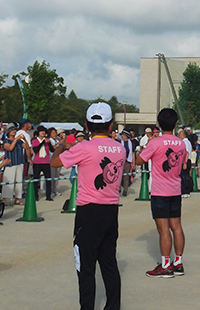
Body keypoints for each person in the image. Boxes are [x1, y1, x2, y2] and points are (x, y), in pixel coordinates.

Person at [50, 102, 124, 310]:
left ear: (86, 125)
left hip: (89, 211)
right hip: (111, 211)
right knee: (109, 264)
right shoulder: (119, 148)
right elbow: (101, 152)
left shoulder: (83, 147)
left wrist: (62, 146)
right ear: (111, 126)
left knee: (86, 267)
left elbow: (55, 163)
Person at [135, 108, 187, 278]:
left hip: (160, 190)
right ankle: (178, 262)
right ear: (176, 124)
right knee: (176, 226)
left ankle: (165, 265)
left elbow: (139, 160)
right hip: (175, 188)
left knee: (163, 229)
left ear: (158, 124)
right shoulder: (180, 143)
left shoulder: (155, 143)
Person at [3, 125, 26, 205]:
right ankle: (5, 198)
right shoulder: (6, 141)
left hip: (19, 162)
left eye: (15, 130)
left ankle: (17, 198)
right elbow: (10, 148)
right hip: (10, 163)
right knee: (9, 181)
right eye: (12, 130)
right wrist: (16, 139)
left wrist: (24, 139)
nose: (14, 131)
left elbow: (27, 147)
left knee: (19, 181)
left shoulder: (19, 141)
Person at [31, 126, 55, 201]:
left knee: (48, 179)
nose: (43, 133)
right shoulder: (35, 141)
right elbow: (35, 150)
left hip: (46, 162)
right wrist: (43, 143)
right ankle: (35, 195)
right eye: (41, 131)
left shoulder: (47, 141)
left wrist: (49, 143)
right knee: (36, 179)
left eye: (44, 132)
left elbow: (52, 150)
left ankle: (48, 195)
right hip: (37, 162)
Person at [120, 130, 135, 197]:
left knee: (126, 176)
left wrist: (134, 164)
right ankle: (118, 188)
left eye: (123, 135)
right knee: (119, 176)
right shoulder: (119, 143)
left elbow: (133, 154)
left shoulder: (131, 144)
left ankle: (125, 190)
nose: (122, 136)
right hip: (120, 161)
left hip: (128, 161)